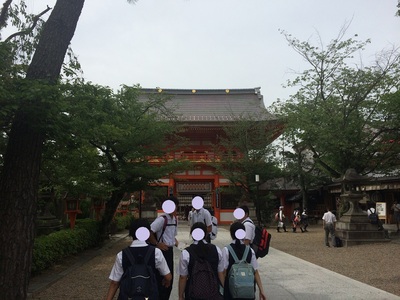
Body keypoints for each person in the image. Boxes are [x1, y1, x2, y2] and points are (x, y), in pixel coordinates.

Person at [105, 218, 172, 300]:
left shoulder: (122, 255)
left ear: (131, 233)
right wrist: (166, 281)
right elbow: (168, 276)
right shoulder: (156, 252)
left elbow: (114, 283)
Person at [178, 222, 225, 300]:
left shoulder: (186, 253)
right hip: (213, 293)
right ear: (206, 234)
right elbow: (221, 273)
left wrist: (180, 296)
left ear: (192, 234)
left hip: (193, 293)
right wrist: (224, 291)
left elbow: (183, 277)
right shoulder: (216, 250)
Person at [222, 222, 267, 300]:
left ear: (231, 234)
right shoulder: (250, 251)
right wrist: (261, 290)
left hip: (231, 293)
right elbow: (255, 272)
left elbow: (223, 272)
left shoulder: (226, 250)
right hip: (248, 292)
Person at [148, 196, 179, 300]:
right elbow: (149, 232)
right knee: (163, 278)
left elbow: (172, 234)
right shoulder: (161, 219)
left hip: (170, 251)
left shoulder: (174, 219)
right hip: (161, 251)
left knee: (170, 278)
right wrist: (157, 243)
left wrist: (174, 241)